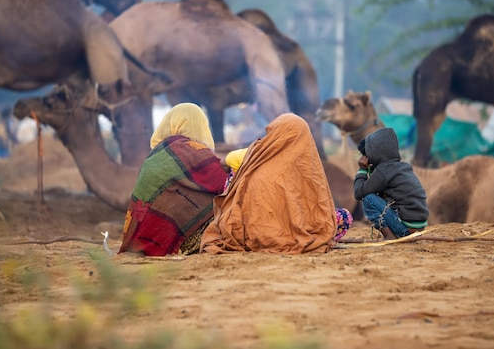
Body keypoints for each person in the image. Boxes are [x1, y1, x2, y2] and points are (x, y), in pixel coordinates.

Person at [200, 113, 342, 254]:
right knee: (341, 217)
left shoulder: (255, 158)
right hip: (288, 232)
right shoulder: (309, 168)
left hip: (254, 236)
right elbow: (320, 208)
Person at [118, 103, 230, 256]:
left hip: (137, 242)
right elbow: (224, 182)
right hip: (171, 245)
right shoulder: (190, 150)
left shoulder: (157, 154)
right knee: (229, 204)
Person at [354, 127, 429, 240]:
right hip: (418, 228)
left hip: (406, 229)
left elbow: (359, 192)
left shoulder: (384, 171)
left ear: (375, 154)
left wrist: (362, 170)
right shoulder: (401, 167)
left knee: (369, 199)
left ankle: (389, 236)